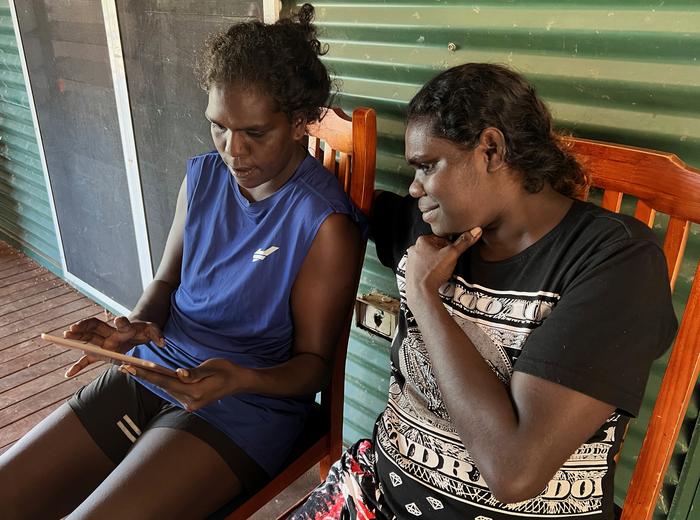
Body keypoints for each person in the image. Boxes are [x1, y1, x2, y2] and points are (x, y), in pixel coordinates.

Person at [0, 5, 366, 519]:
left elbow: (311, 369)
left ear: (302, 121)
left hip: (245, 405)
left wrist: (240, 378)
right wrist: (138, 325)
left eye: (255, 133)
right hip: (156, 367)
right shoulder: (202, 179)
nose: (232, 151)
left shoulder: (323, 224)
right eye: (218, 126)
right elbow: (168, 280)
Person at [290, 63, 678, 520]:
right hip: (373, 494)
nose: (414, 187)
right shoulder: (431, 224)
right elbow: (328, 200)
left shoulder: (615, 260)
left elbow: (513, 471)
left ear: (491, 149)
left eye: (428, 166)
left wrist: (424, 297)